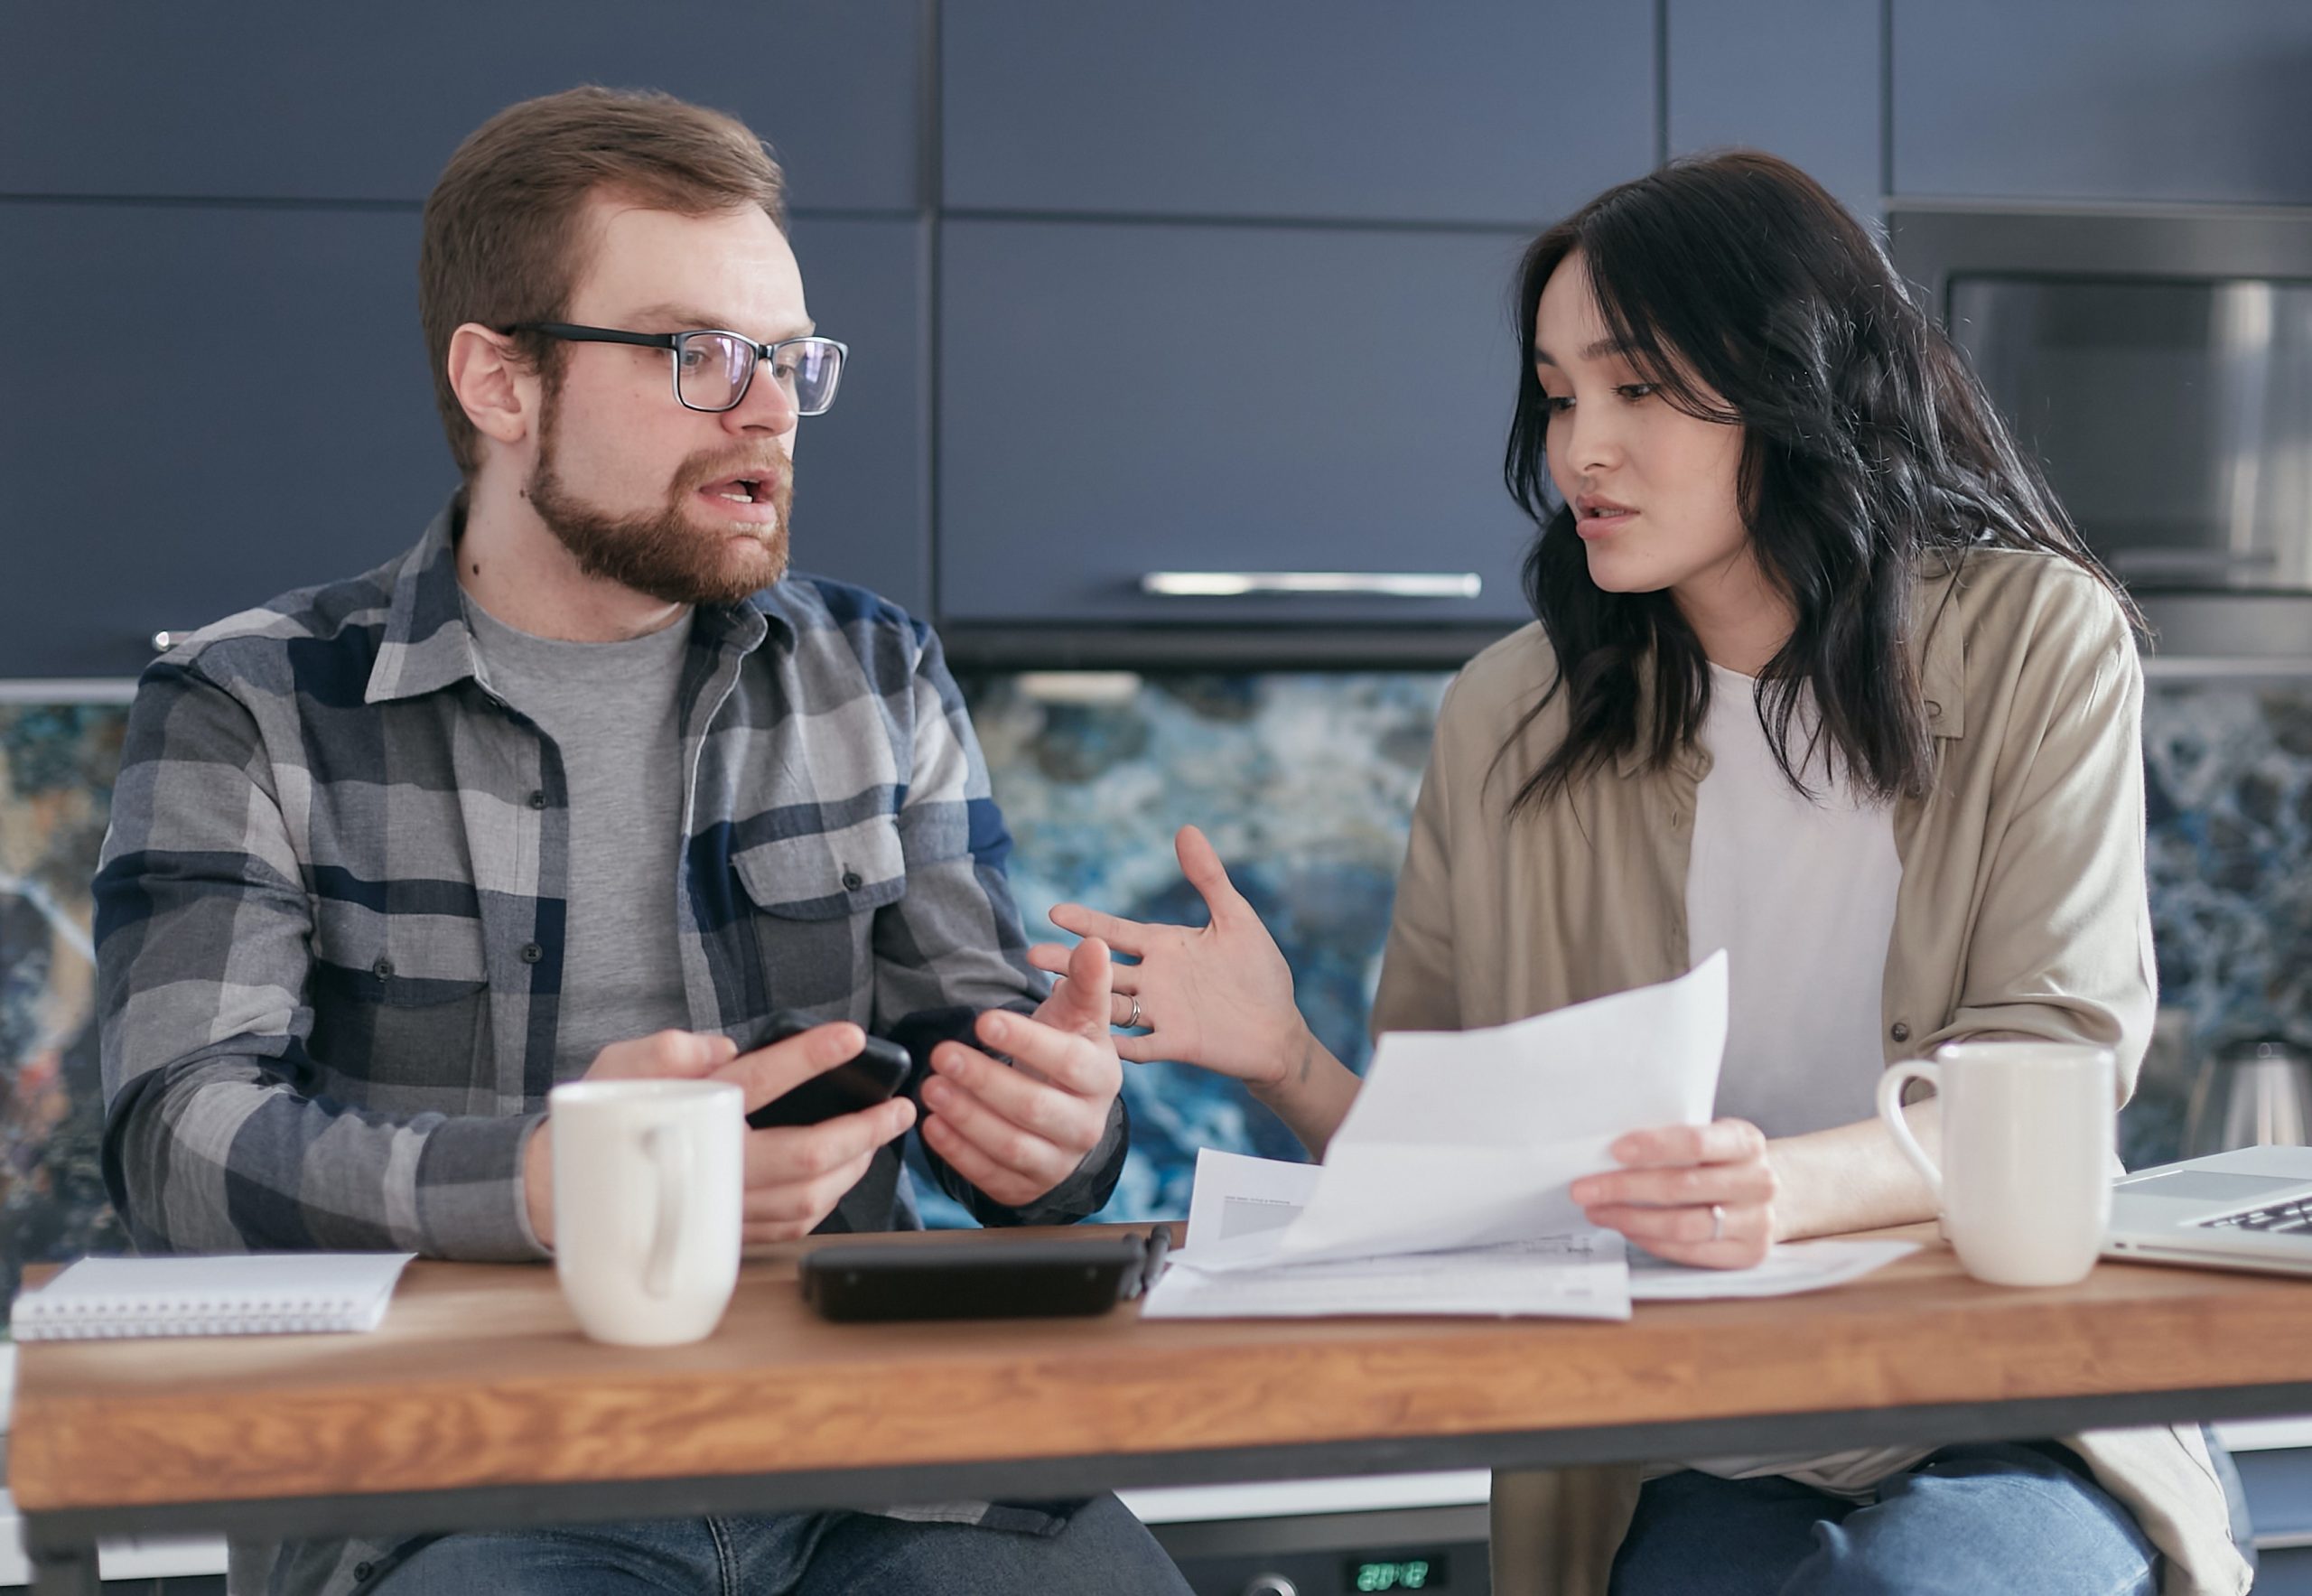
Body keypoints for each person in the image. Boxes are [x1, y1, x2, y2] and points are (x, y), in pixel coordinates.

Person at [1038, 153, 2247, 1595]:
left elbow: (2055, 1065)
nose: (1578, 451)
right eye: (1558, 395)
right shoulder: (1511, 715)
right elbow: (1451, 1185)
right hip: (1696, 1437)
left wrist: (1776, 1194)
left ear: (1794, 381)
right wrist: (1284, 1055)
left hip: (2005, 1401)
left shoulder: (2038, 638)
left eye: (1638, 389)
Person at [93, 87, 1189, 1596]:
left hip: (885, 1471)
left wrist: (1060, 1135)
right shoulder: (251, 704)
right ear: (500, 380)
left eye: (791, 363)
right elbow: (175, 1141)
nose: (767, 411)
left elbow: (990, 1094)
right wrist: (549, 1186)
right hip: (464, 1481)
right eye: (700, 355)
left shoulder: (873, 674)